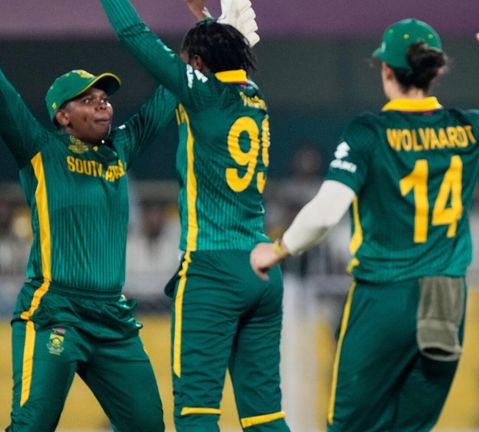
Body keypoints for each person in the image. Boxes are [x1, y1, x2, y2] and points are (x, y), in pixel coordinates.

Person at [250, 18, 479, 431]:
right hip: (446, 296)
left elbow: (326, 212)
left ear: (385, 70)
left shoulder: (368, 132)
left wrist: (277, 250)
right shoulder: (466, 127)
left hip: (383, 296)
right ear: (436, 72)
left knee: (350, 426)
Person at [99, 0, 289, 430]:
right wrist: (204, 19)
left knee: (196, 412)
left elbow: (136, 37)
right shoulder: (255, 99)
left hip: (211, 270)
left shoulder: (200, 94)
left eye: (190, 60)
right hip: (261, 268)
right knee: (265, 415)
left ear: (199, 64)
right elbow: (226, 55)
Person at [0, 65, 176, 429]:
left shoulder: (119, 150)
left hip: (112, 317)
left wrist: (200, 51)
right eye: (87, 100)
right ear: (61, 116)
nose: (102, 106)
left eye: (104, 99)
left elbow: (165, 97)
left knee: (149, 426)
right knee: (31, 426)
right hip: (55, 313)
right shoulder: (41, 150)